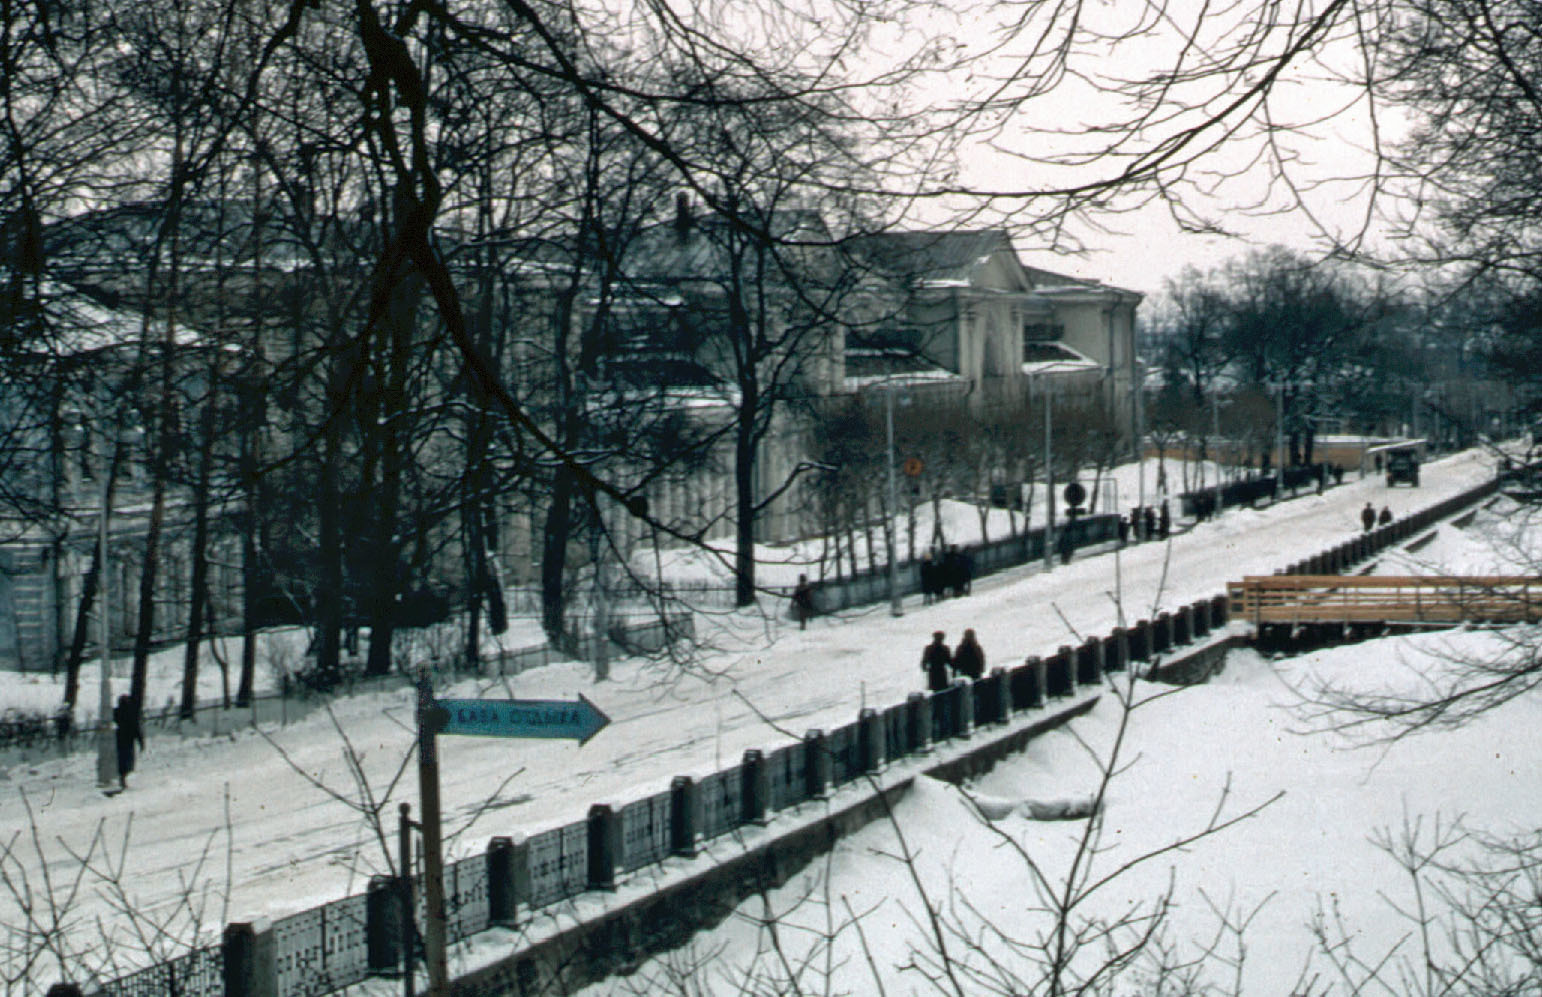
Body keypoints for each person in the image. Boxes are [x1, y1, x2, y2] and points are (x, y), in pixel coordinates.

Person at [112, 694, 143, 791]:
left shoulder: (116, 712)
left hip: (120, 739)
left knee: (122, 759)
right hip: (129, 740)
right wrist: (140, 741)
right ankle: (123, 777)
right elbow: (136, 727)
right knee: (127, 760)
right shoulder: (131, 712)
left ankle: (122, 777)